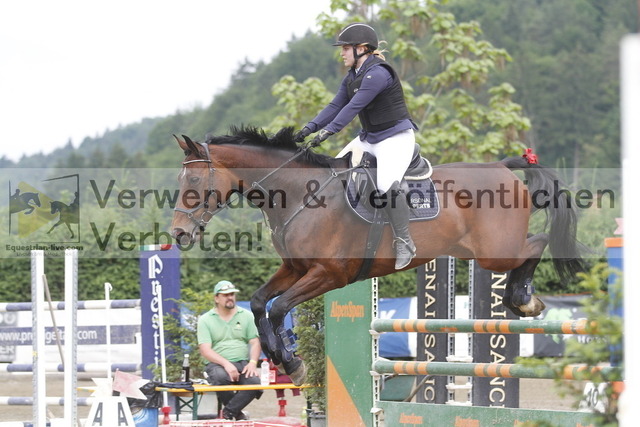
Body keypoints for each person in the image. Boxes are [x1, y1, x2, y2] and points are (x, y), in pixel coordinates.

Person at [294, 22, 418, 269]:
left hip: (395, 139)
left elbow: (353, 107)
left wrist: (329, 131)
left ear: (361, 49)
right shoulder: (352, 76)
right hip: (369, 139)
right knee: (333, 175)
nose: (341, 53)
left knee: (385, 186)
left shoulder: (378, 74)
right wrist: (309, 128)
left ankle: (404, 241)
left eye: (345, 48)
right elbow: (335, 105)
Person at [197, 280, 262, 420]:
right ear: (216, 298)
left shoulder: (246, 315)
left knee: (254, 382)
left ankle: (228, 412)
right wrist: (226, 364)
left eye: (232, 294)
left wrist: (252, 363)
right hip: (217, 365)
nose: (230, 297)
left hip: (242, 362)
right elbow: (205, 350)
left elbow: (255, 342)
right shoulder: (205, 319)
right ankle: (237, 415)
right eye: (225, 295)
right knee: (220, 378)